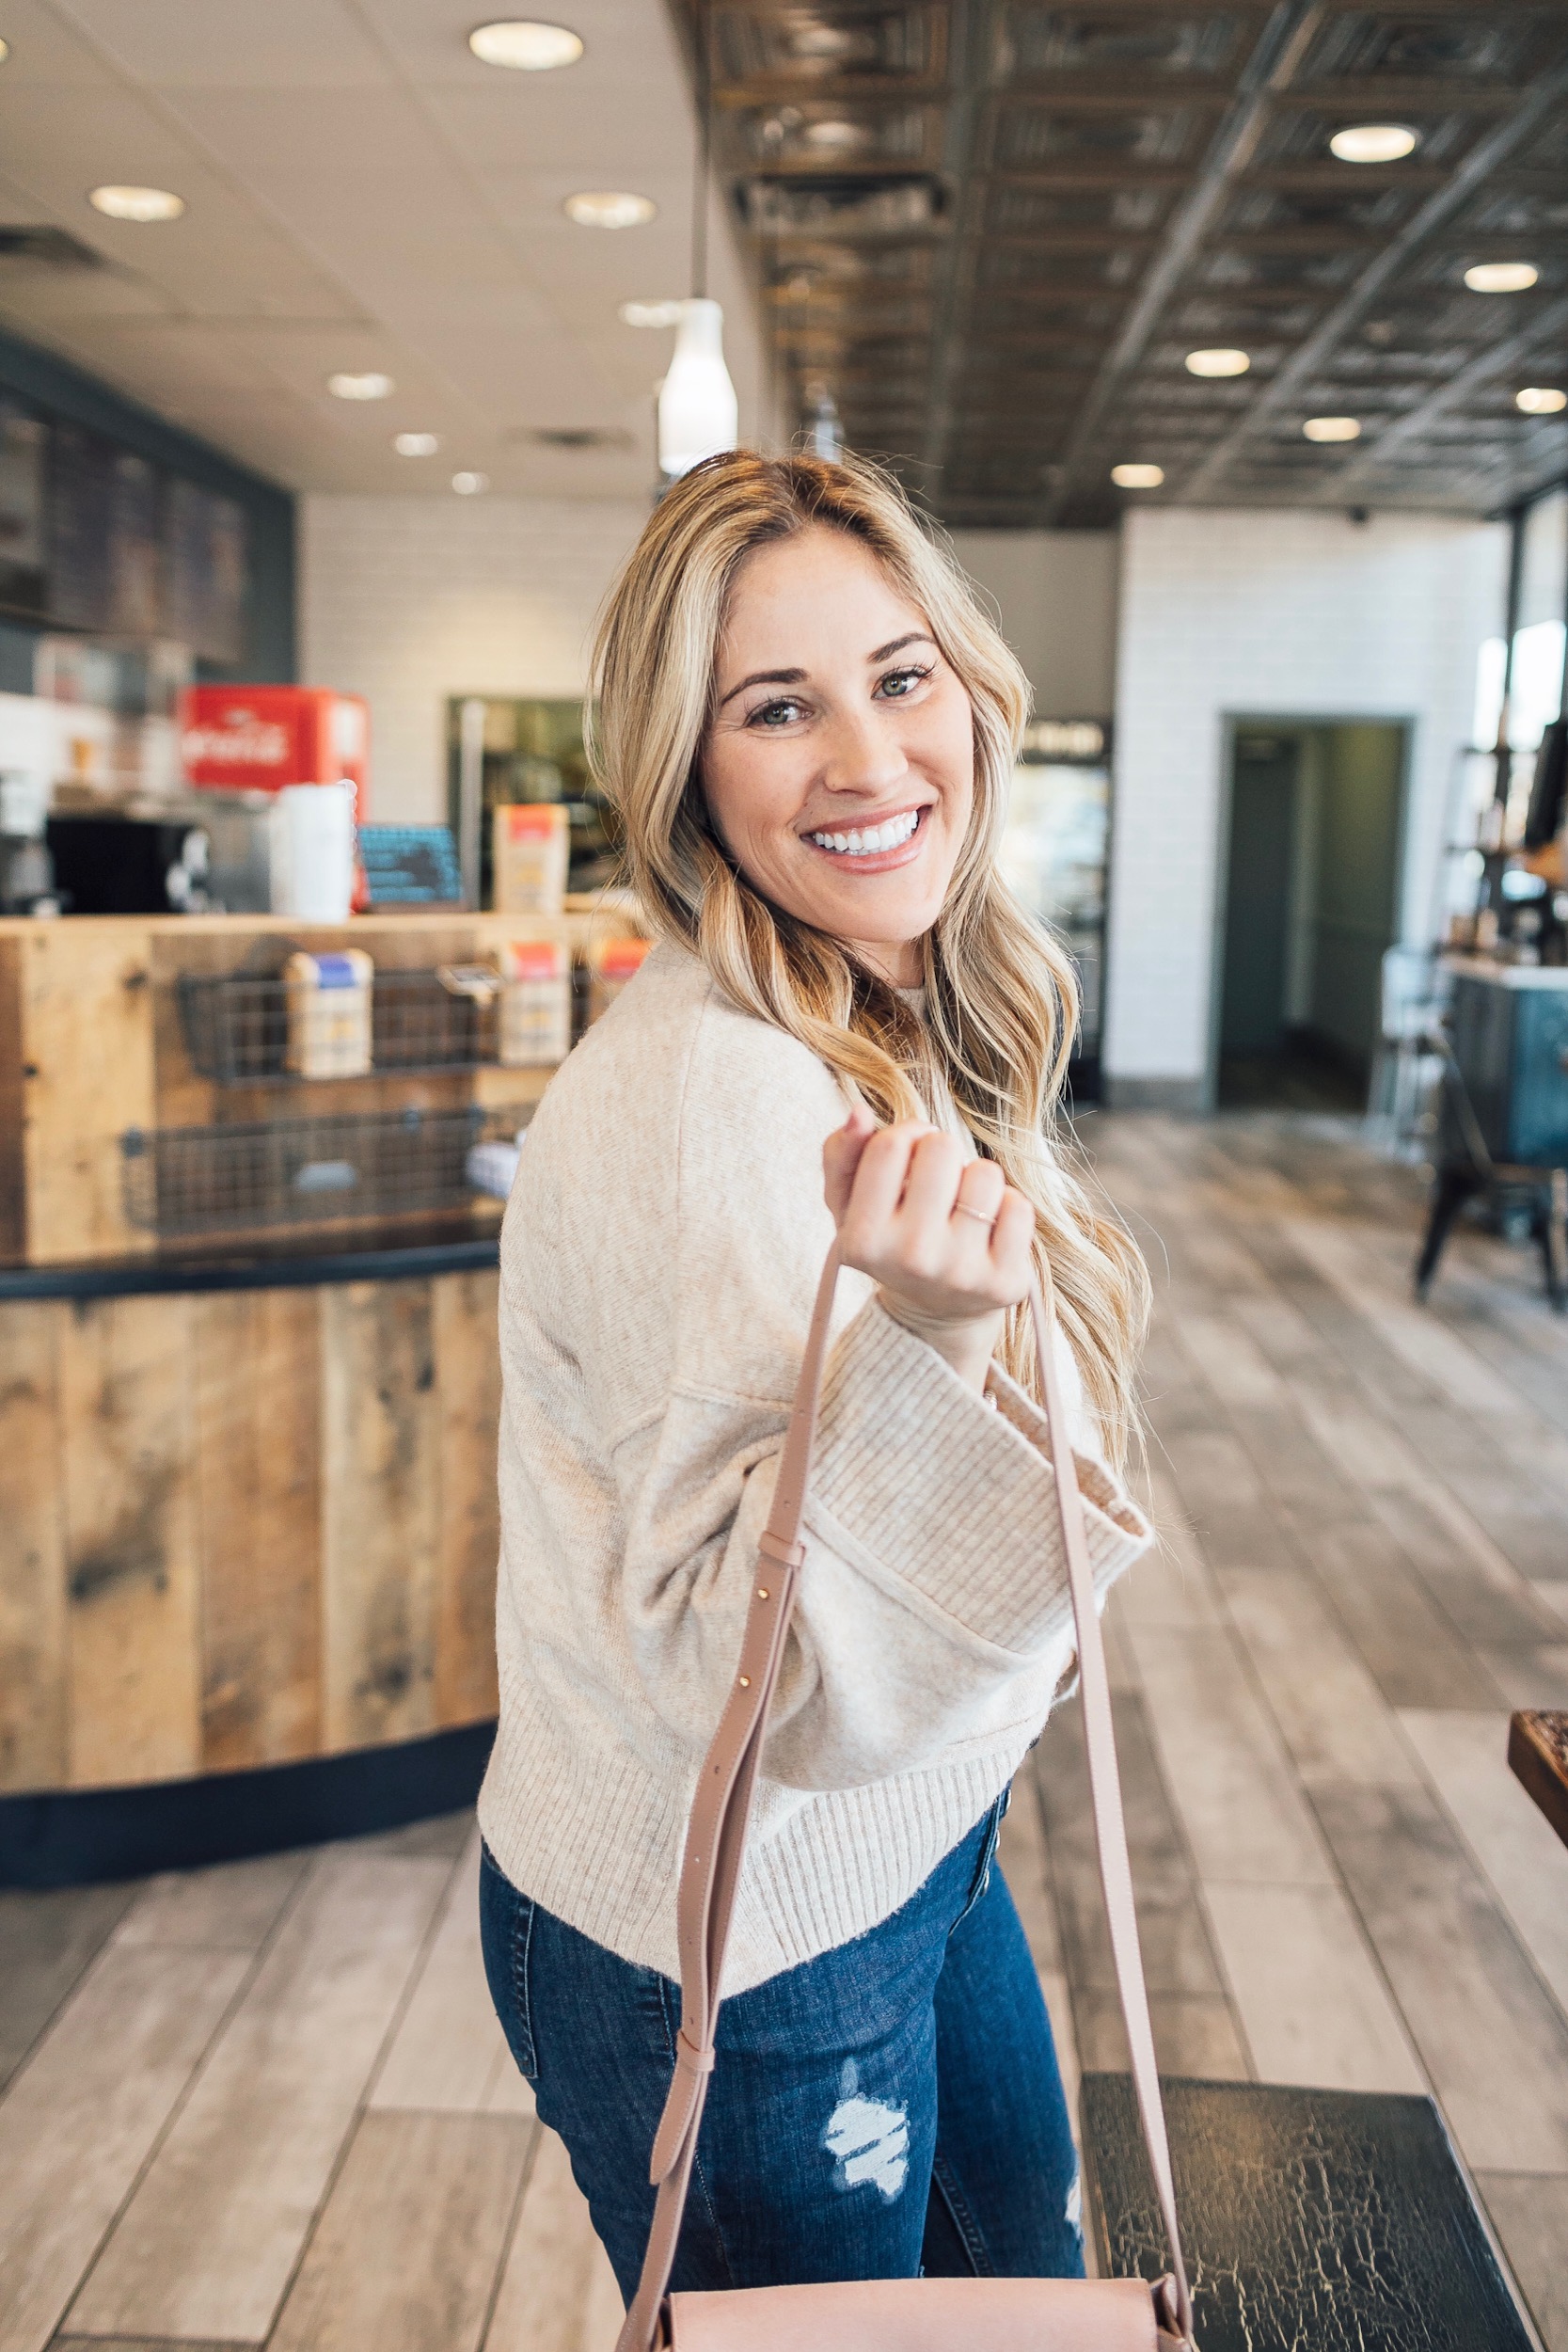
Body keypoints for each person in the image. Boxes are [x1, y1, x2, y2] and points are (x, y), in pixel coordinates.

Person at [478, 449, 1152, 2301]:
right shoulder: (723, 1101)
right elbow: (734, 1680)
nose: (870, 758)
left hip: (907, 1841)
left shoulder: (853, 1001)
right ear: (687, 764)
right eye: (781, 707)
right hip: (731, 1944)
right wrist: (936, 1346)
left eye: (900, 673)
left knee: (1021, 2281)